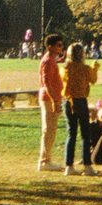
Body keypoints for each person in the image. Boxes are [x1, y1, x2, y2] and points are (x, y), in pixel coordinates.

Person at [61, 43, 100, 176]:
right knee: (85, 134)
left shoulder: (66, 68)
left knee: (71, 133)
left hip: (68, 101)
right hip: (81, 100)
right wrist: (95, 68)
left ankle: (69, 165)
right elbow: (93, 79)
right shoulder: (85, 68)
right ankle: (87, 166)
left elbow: (64, 83)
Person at [37, 34, 65, 172]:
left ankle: (47, 159)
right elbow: (47, 82)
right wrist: (54, 100)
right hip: (49, 99)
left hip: (53, 98)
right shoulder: (48, 61)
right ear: (50, 47)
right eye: (58, 45)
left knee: (51, 129)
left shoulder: (52, 60)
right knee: (48, 129)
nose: (61, 47)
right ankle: (44, 161)